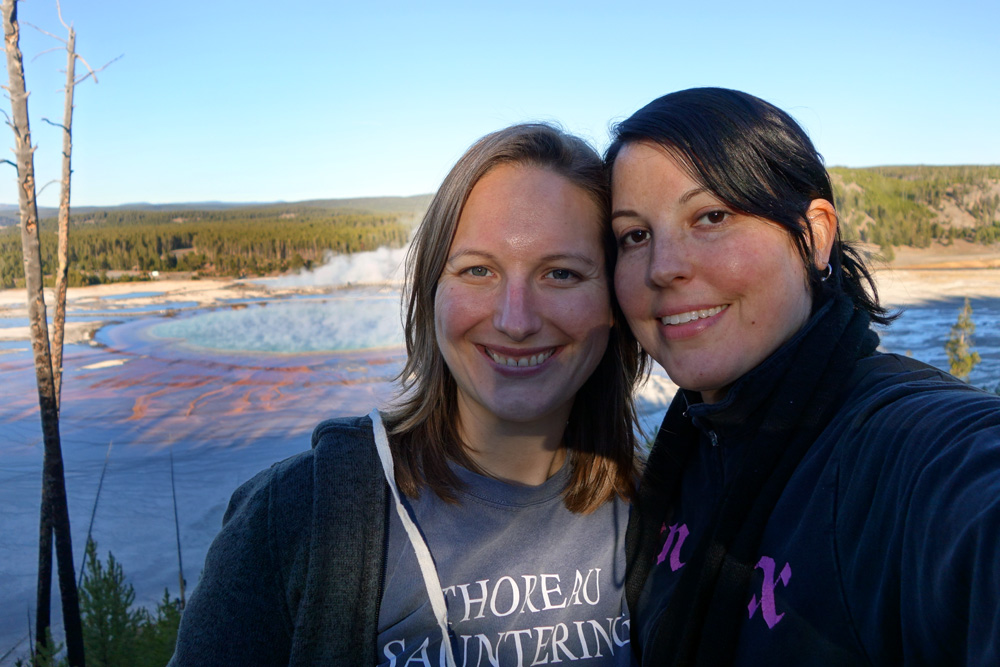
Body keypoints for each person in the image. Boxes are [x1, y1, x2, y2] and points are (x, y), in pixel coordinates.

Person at [168, 123, 646, 666]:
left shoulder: (664, 514)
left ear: (614, 300)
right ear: (431, 289)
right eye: (478, 270)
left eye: (560, 273)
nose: (515, 320)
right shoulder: (293, 518)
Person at [606, 87, 1000, 665]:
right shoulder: (691, 444)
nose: (663, 268)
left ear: (814, 236)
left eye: (712, 217)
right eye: (635, 236)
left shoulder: (901, 451)